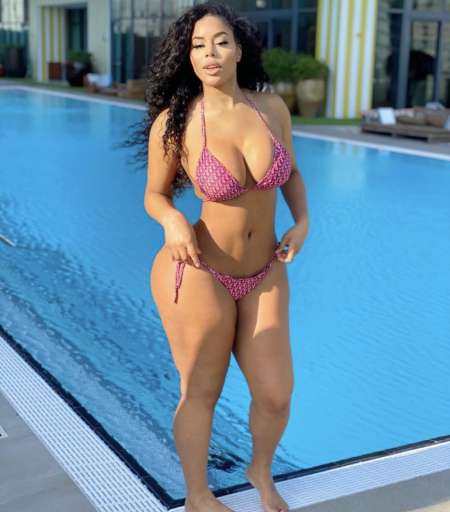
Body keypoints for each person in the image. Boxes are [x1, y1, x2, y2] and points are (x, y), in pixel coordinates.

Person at [141, 2, 309, 511]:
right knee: (201, 390)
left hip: (264, 270)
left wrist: (302, 221)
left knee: (276, 393)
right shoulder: (176, 122)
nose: (209, 53)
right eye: (198, 45)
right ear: (188, 57)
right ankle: (198, 496)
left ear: (238, 50)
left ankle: (260, 470)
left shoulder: (271, 108)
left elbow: (291, 173)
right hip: (199, 270)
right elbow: (155, 195)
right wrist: (173, 221)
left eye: (220, 42)